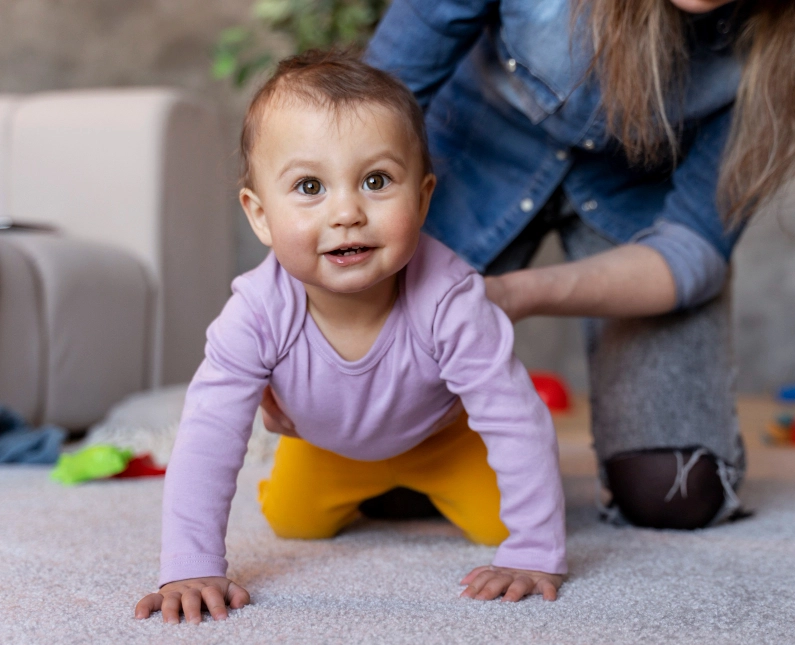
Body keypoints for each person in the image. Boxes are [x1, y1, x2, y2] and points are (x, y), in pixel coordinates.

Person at [263, 0, 795, 529]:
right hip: (468, 150)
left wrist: (512, 295)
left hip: (639, 199)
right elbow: (362, 119)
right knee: (386, 475)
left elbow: (693, 249)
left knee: (674, 492)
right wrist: (289, 314)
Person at [135, 51, 567, 624]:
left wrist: (535, 547)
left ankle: (417, 486)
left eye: (376, 181)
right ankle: (380, 490)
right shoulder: (256, 313)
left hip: (442, 441)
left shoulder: (451, 300)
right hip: (328, 447)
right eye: (310, 185)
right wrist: (189, 563)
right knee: (292, 520)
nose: (347, 212)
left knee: (499, 525)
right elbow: (209, 432)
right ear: (260, 215)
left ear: (423, 196)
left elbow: (515, 416)